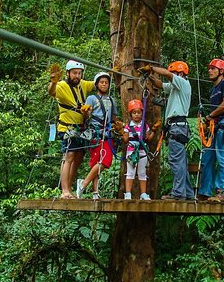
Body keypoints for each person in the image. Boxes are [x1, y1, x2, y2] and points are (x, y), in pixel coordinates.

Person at [139, 61, 194, 200]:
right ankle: (187, 193)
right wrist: (149, 76)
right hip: (176, 127)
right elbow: (160, 85)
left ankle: (178, 194)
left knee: (176, 161)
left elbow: (167, 75)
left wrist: (151, 68)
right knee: (181, 162)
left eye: (175, 73)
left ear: (180, 74)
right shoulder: (176, 87)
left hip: (177, 126)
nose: (173, 76)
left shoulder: (183, 83)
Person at [48, 60, 95, 199]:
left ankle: (69, 188)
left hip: (80, 128)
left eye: (79, 73)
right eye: (74, 73)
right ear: (68, 73)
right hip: (67, 127)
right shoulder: (61, 85)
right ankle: (65, 190)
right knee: (69, 156)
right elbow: (51, 92)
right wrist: (53, 82)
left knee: (79, 157)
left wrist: (110, 73)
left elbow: (97, 82)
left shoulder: (83, 84)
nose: (77, 76)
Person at [198, 58, 224, 202]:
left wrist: (210, 116)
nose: (209, 71)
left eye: (213, 68)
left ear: (221, 71)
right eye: (209, 68)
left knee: (222, 157)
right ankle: (205, 192)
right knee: (208, 157)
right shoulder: (213, 89)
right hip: (216, 125)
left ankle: (222, 193)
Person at [76, 71, 120, 199]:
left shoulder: (112, 100)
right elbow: (87, 116)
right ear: (96, 84)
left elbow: (114, 117)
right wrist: (85, 112)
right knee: (99, 161)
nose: (104, 84)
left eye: (106, 82)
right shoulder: (92, 98)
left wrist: (119, 127)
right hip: (95, 133)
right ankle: (90, 189)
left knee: (105, 161)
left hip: (107, 133)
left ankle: (85, 185)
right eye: (101, 82)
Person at [122, 99, 158, 200]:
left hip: (142, 151)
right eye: (134, 113)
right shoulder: (128, 127)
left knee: (142, 173)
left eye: (139, 112)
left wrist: (154, 130)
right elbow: (125, 140)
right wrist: (120, 131)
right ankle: (128, 193)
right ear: (131, 114)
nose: (136, 115)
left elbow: (148, 138)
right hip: (132, 152)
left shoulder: (144, 126)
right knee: (130, 172)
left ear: (142, 113)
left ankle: (143, 193)